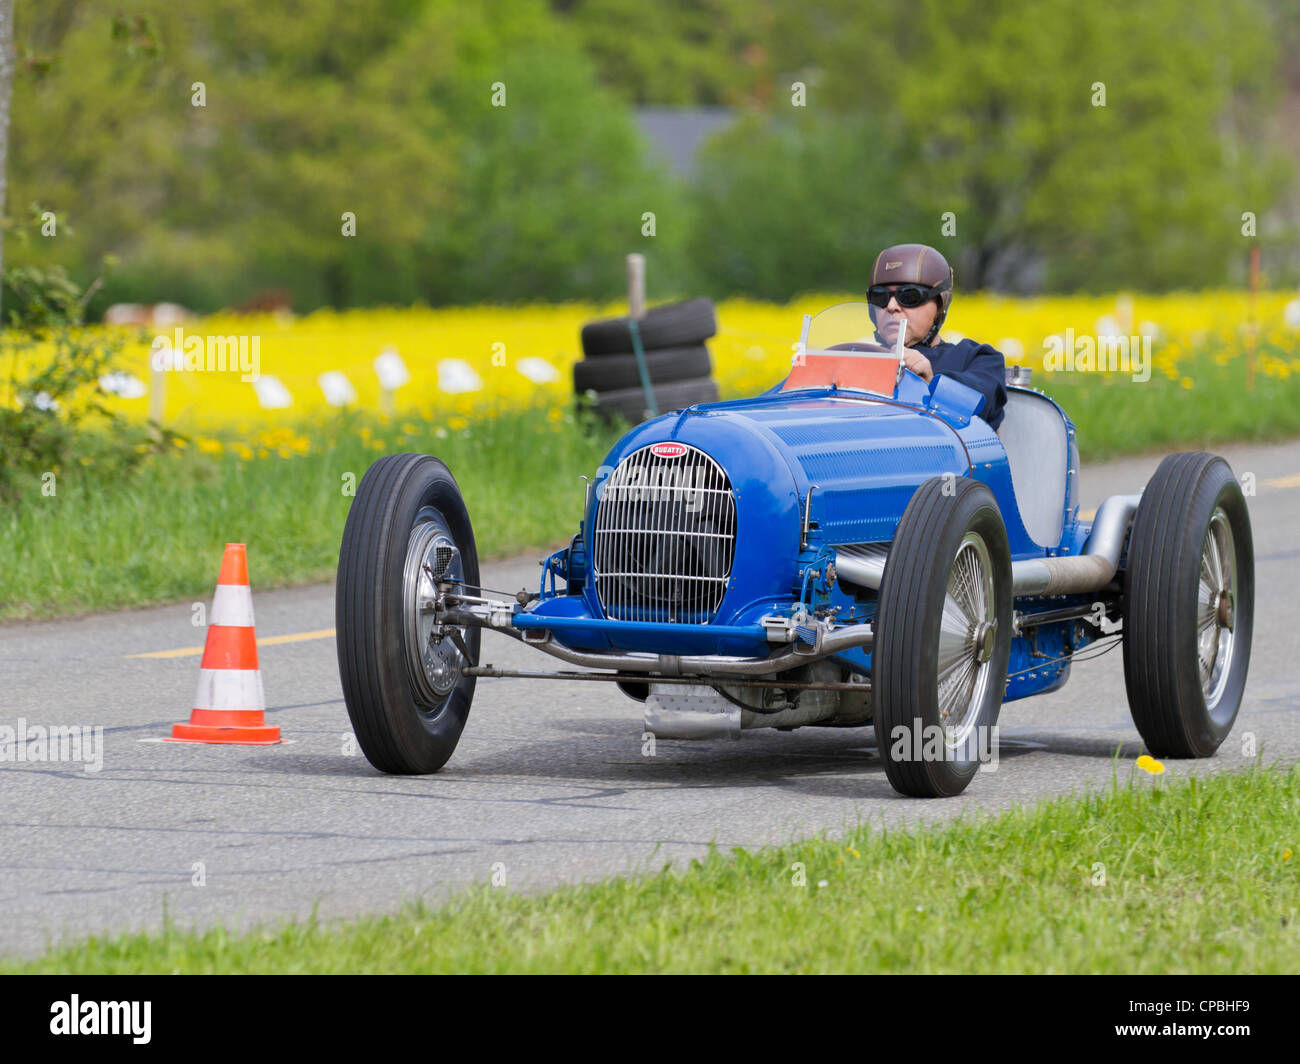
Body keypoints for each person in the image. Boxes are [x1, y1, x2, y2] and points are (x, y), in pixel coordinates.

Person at [866, 243, 1007, 431]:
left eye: (908, 295)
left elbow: (979, 407)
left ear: (939, 306)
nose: (891, 306)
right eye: (879, 297)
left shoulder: (979, 358)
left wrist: (931, 384)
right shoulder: (858, 358)